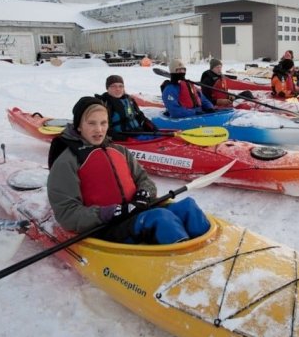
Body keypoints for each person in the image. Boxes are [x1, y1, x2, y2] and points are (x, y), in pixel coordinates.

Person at [47, 96, 210, 244]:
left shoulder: (120, 151)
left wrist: (144, 193)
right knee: (161, 218)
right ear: (79, 126)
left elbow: (144, 180)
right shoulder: (67, 162)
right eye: (91, 123)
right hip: (106, 227)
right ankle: (183, 263)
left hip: (135, 212)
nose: (99, 130)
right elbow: (67, 214)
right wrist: (108, 213)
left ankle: (208, 252)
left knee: (188, 207)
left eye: (103, 123)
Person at [95, 74, 158, 141]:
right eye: (114, 86)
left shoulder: (129, 100)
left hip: (138, 132)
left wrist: (148, 124)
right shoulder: (104, 104)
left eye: (121, 86)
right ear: (107, 88)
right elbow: (105, 129)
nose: (118, 89)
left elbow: (139, 115)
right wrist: (125, 139)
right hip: (123, 139)